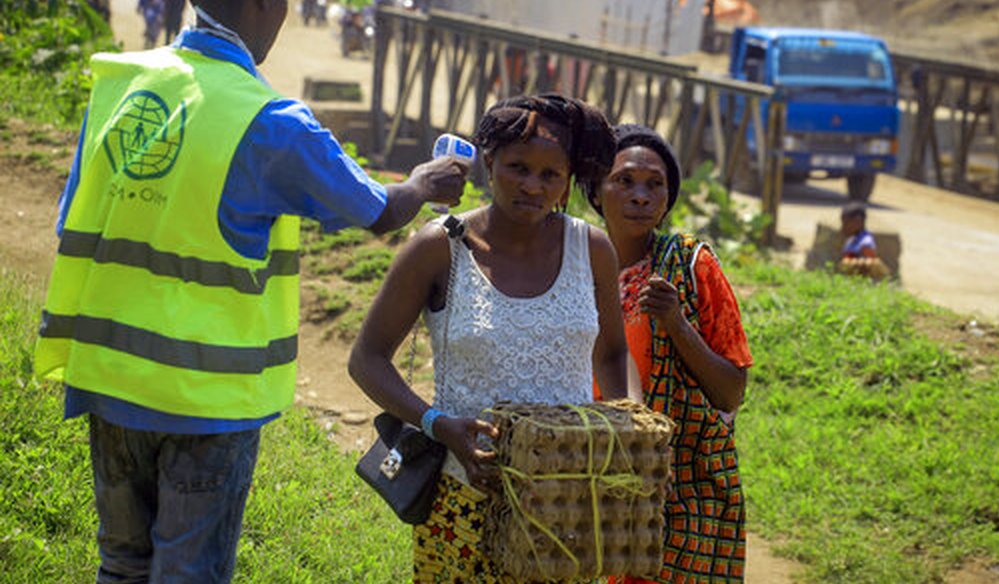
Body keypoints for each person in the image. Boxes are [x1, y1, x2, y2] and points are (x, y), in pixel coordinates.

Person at [32, 0, 467, 581]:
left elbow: (74, 219)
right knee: (189, 572)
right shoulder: (272, 123)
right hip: (205, 398)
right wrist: (420, 183)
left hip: (109, 374)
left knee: (121, 564)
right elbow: (375, 210)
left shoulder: (122, 82)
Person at [349, 94, 631, 582]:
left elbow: (612, 354)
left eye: (550, 175)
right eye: (517, 167)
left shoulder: (592, 248)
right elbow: (367, 360)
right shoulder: (442, 247)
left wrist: (626, 432)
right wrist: (438, 424)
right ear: (488, 162)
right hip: (463, 500)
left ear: (567, 182)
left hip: (565, 505)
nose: (532, 187)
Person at [591, 124, 752, 583]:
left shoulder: (690, 266)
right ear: (596, 191)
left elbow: (730, 393)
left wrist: (677, 324)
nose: (640, 195)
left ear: (668, 199)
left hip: (671, 485)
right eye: (624, 180)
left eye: (654, 184)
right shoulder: (568, 263)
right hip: (579, 472)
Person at [837, 201, 890, 280]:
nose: (843, 227)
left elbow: (871, 264)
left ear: (858, 222)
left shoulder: (865, 242)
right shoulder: (851, 240)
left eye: (846, 223)